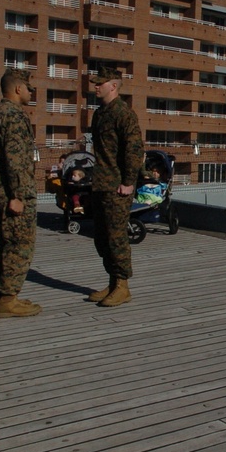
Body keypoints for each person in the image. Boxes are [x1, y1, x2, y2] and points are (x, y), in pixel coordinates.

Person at [0, 69, 41, 318]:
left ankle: (5, 296)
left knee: (5, 243)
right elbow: (14, 160)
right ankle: (7, 300)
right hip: (15, 194)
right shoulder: (13, 116)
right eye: (28, 88)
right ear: (17, 89)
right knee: (19, 245)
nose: (30, 92)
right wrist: (16, 195)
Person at [87, 66, 144, 307]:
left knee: (116, 236)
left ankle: (122, 285)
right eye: (95, 83)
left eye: (100, 83)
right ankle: (112, 281)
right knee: (101, 236)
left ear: (114, 85)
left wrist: (129, 182)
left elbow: (133, 150)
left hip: (118, 185)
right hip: (101, 183)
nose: (95, 86)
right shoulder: (99, 114)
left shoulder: (124, 113)